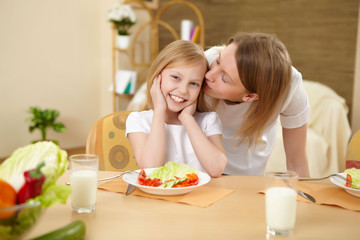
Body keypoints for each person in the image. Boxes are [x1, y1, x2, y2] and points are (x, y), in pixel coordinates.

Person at [203, 32, 310, 177]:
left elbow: (297, 162)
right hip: (199, 170)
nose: (208, 75)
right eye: (218, 61)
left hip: (248, 175)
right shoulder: (202, 63)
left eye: (224, 78)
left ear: (250, 96)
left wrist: (302, 198)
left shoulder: (290, 88)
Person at [126, 40, 227, 177]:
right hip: (157, 198)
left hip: (199, 197)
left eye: (193, 83)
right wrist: (159, 110)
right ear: (158, 76)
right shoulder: (138, 120)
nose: (183, 90)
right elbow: (150, 168)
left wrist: (187, 119)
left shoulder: (209, 120)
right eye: (175, 77)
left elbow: (216, 169)